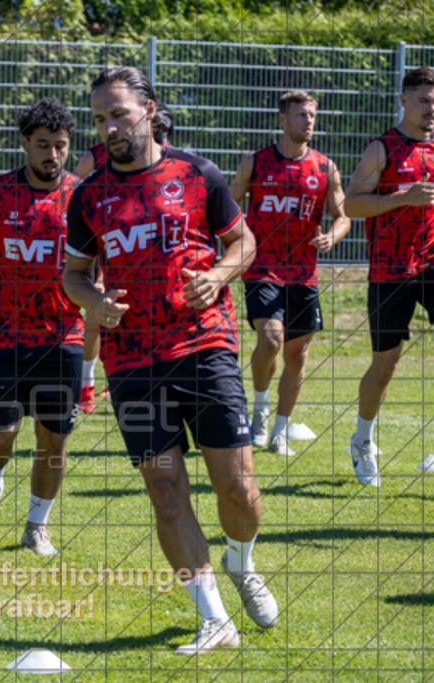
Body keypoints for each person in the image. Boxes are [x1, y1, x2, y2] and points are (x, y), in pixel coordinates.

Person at [63, 67, 276, 654]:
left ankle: (241, 561)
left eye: (119, 114)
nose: (108, 127)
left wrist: (217, 276)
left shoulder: (196, 173)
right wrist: (95, 303)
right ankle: (214, 619)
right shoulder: (89, 195)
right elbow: (73, 275)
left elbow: (244, 241)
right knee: (165, 490)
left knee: (237, 489)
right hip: (132, 364)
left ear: (149, 110)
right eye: (100, 117)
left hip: (206, 347)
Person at [0, 98, 83, 556]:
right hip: (5, 335)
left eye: (61, 146)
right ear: (25, 143)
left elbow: (100, 262)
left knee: (53, 439)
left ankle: (36, 525)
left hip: (62, 336)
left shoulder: (81, 195)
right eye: (43, 145)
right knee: (0, 434)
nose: (53, 155)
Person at [230, 91, 350, 456]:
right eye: (301, 115)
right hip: (262, 267)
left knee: (298, 355)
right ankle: (260, 413)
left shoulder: (325, 168)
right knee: (270, 340)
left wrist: (332, 235)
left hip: (304, 273)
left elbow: (342, 216)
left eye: (312, 115)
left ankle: (281, 430)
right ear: (283, 120)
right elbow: (227, 209)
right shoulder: (255, 163)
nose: (309, 121)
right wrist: (235, 247)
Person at [343, 66, 434, 487]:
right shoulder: (383, 149)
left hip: (431, 264)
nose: (431, 110)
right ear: (403, 100)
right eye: (424, 101)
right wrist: (403, 197)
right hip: (390, 268)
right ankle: (362, 442)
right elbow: (351, 206)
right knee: (385, 364)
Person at [72, 104, 173, 413]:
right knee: (95, 308)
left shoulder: (170, 161)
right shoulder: (95, 158)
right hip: (97, 245)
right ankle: (84, 384)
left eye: (163, 134)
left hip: (142, 252)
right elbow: (69, 194)